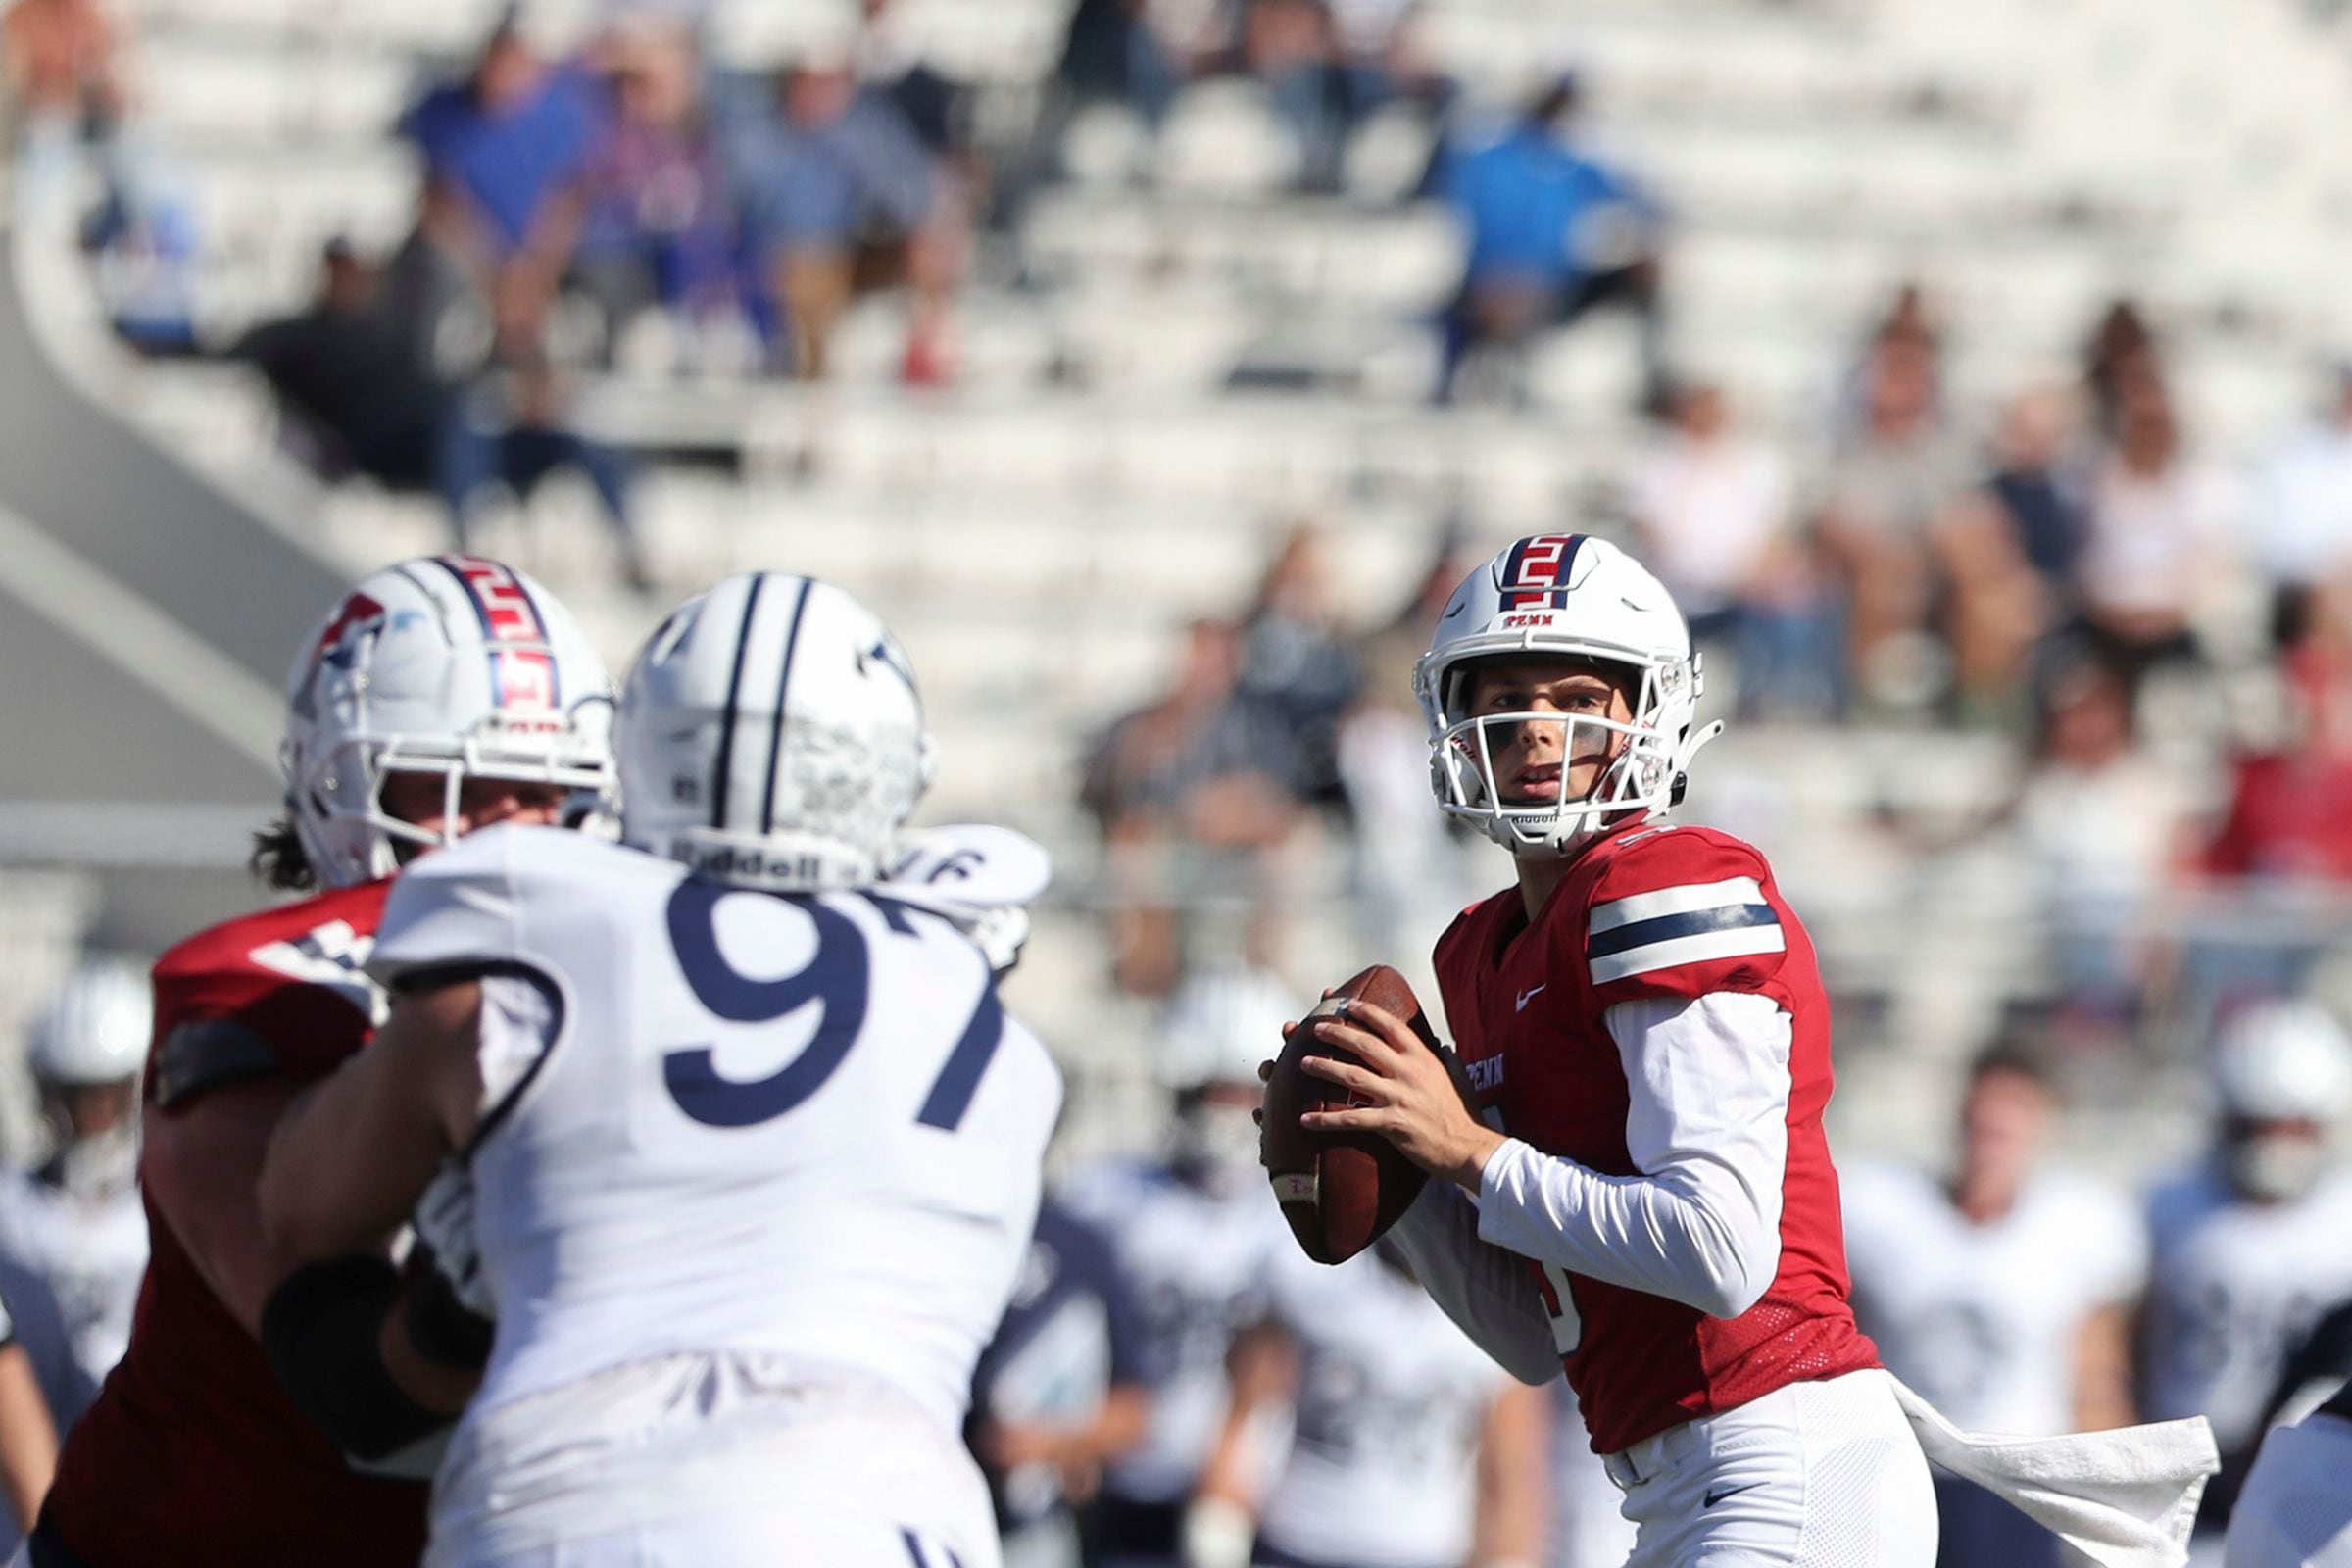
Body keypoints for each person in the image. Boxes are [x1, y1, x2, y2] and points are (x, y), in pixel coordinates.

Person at [1272, 532, 2217, 1567]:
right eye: (1506, 695)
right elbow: (1534, 1341)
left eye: (1578, 697)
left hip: (1789, 1464)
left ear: (1650, 712)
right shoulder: (1483, 948)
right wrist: (1401, 1177)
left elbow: (1719, 1253)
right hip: (1682, 1488)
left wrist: (1463, 1150)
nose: (1539, 732)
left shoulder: (1663, 883)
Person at [254, 572, 1061, 1567]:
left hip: (578, 1498)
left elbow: (300, 1208)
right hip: (883, 1514)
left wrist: (464, 1287)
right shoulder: (995, 1027)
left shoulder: (531, 938)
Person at [31, 555, 614, 1568]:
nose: (509, 834)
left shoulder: (633, 958)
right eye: (460, 789)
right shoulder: (263, 989)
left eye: (544, 794)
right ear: (342, 783)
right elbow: (365, 1400)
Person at [1843, 1045, 2146, 1568]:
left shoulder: (2080, 1224)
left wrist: (2115, 1509)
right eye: (1982, 1120)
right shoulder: (1880, 1210)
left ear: (2042, 1125)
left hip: (2020, 1478)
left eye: (2008, 1121)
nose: (1991, 1140)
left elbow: (2096, 1378)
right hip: (1903, 1469)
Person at [1062, 966, 1296, 1568]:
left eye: (1239, 1093)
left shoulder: (1295, 1219)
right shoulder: (1109, 1199)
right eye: (1211, 1091)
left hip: (1252, 1500)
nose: (1224, 1112)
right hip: (1118, 1480)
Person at [1189, 1240, 1549, 1568]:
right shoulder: (1306, 1276)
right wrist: (1220, 1530)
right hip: (1298, 1538)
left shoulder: (1501, 1308)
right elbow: (1246, 1414)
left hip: (1420, 1551)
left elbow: (1510, 1472)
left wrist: (1505, 1557)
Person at [2140, 1001, 2352, 1550]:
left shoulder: (2342, 1215)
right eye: (2258, 1126)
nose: (2276, 1146)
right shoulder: (2169, 1205)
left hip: (2312, 1471)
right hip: (2184, 1476)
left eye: (2293, 1126)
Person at [968, 1194, 1153, 1568]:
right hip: (917, 1500)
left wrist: (1055, 1441)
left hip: (1030, 1529)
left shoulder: (1080, 1247)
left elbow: (1135, 1413)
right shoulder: (926, 1230)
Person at [0, 958, 151, 1390]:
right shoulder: (9, 1205)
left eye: (104, 1096)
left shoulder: (173, 1205)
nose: (86, 1115)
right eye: (71, 1094)